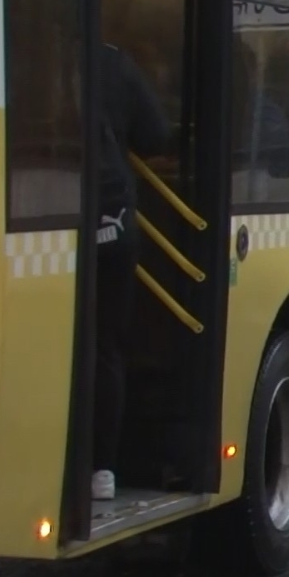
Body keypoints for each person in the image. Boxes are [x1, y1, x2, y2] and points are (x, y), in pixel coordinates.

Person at [92, 43, 171, 501]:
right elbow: (156, 135)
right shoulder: (114, 62)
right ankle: (99, 468)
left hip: (45, 226)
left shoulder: (26, 49)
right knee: (106, 348)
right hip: (113, 225)